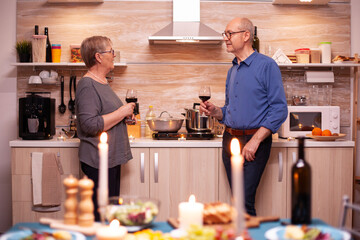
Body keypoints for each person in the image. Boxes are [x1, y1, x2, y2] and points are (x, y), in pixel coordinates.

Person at [200, 18, 287, 216]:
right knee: (237, 202)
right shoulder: (232, 71)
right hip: (230, 140)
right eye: (225, 34)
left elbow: (279, 109)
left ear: (246, 36)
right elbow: (230, 110)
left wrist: (255, 141)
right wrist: (215, 111)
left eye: (230, 33)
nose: (226, 39)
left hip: (253, 142)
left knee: (243, 204)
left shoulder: (267, 66)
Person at [75, 36, 136, 221]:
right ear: (99, 57)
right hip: (97, 161)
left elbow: (105, 117)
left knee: (109, 215)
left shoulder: (102, 82)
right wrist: (121, 111)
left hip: (109, 160)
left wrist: (124, 117)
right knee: (100, 216)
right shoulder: (87, 84)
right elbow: (89, 125)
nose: (114, 54)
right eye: (111, 51)